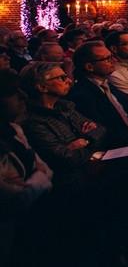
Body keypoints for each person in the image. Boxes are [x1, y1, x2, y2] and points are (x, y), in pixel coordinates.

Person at [20, 61, 107, 187]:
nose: (69, 81)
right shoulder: (33, 122)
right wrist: (91, 139)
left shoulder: (65, 107)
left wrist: (85, 141)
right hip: (75, 182)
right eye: (62, 78)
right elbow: (67, 160)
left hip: (94, 167)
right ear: (42, 87)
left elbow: (101, 130)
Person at [0, 71, 54, 261]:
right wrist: (39, 177)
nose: (23, 96)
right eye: (13, 93)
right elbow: (14, 200)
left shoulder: (13, 129)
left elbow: (46, 169)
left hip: (36, 217)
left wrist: (33, 179)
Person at [68, 42, 128, 147]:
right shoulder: (82, 95)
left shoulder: (106, 83)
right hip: (119, 145)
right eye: (107, 59)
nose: (114, 61)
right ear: (89, 67)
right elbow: (105, 134)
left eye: (112, 56)